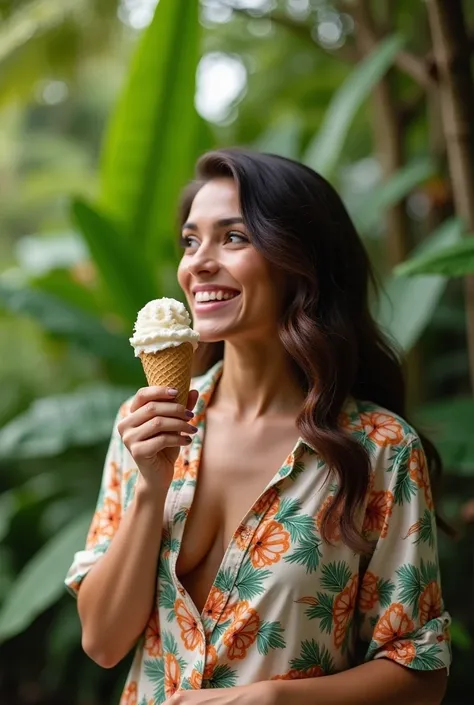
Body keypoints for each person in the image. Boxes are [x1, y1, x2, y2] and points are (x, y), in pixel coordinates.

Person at [65, 149, 451, 705]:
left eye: (234, 237)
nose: (198, 263)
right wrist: (151, 487)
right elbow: (102, 642)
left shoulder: (380, 449)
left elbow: (422, 674)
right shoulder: (147, 421)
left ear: (301, 261)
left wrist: (272, 700)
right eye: (191, 240)